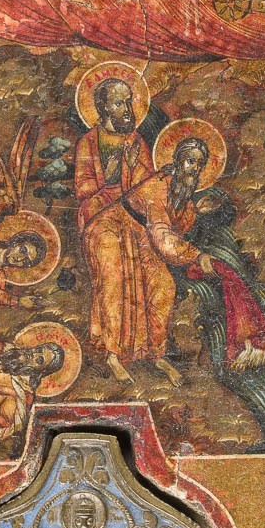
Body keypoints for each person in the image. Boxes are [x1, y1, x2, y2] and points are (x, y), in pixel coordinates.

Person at [131, 133, 265, 372]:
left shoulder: (182, 191)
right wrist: (197, 256)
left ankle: (248, 344)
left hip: (155, 247)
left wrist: (197, 211)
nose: (195, 169)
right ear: (177, 160)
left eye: (200, 164)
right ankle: (154, 354)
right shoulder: (157, 186)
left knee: (224, 272)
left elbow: (179, 224)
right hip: (126, 237)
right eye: (190, 161)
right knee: (164, 287)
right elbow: (163, 236)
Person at [73, 77, 177, 383]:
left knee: (162, 282)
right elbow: (83, 190)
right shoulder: (88, 142)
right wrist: (118, 169)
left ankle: (155, 351)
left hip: (133, 219)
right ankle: (112, 353)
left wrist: (157, 176)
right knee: (113, 279)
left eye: (129, 101)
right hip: (100, 221)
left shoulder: (135, 141)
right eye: (119, 103)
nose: (128, 109)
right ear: (104, 107)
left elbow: (146, 187)